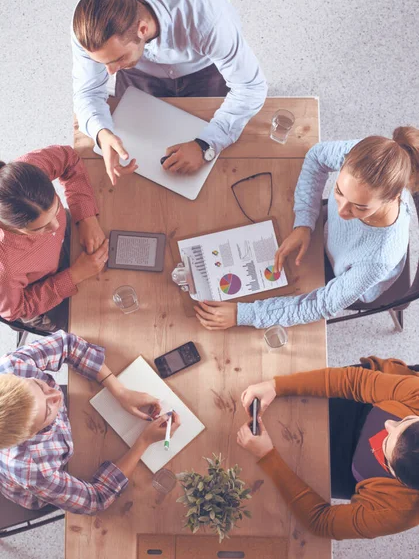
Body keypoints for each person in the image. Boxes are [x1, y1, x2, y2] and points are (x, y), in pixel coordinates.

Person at [194, 126, 419, 330]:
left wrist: (242, 314)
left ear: (393, 197)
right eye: (339, 192)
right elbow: (317, 156)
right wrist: (304, 222)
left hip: (346, 275)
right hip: (324, 238)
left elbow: (323, 305)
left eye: (359, 207)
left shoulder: (379, 257)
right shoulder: (362, 158)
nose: (341, 211)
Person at [72, 0, 267, 185]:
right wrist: (101, 132)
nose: (109, 72)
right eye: (103, 62)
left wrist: (206, 146)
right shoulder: (87, 27)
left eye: (117, 59)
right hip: (139, 73)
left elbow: (251, 87)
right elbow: (87, 91)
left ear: (142, 29)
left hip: (203, 68)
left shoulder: (206, 17)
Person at [237, 357, 419, 539]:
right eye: (403, 421)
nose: (388, 423)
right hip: (362, 405)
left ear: (395, 475)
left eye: (386, 443)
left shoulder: (397, 510)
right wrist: (275, 386)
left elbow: (322, 521)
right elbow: (355, 382)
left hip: (348, 468)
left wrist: (266, 455)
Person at [0, 330, 180, 514]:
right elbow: (96, 499)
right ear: (30, 435)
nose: (57, 394)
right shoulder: (33, 470)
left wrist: (120, 391)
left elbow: (67, 344)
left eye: (39, 385)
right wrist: (144, 442)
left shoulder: (12, 367)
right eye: (48, 411)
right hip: (42, 484)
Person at [0, 145, 109, 331]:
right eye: (41, 228)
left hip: (64, 248)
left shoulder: (31, 171)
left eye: (55, 208)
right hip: (44, 296)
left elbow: (70, 159)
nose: (55, 227)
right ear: (12, 227)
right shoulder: (5, 267)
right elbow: (17, 310)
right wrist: (74, 276)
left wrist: (86, 218)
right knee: (97, 324)